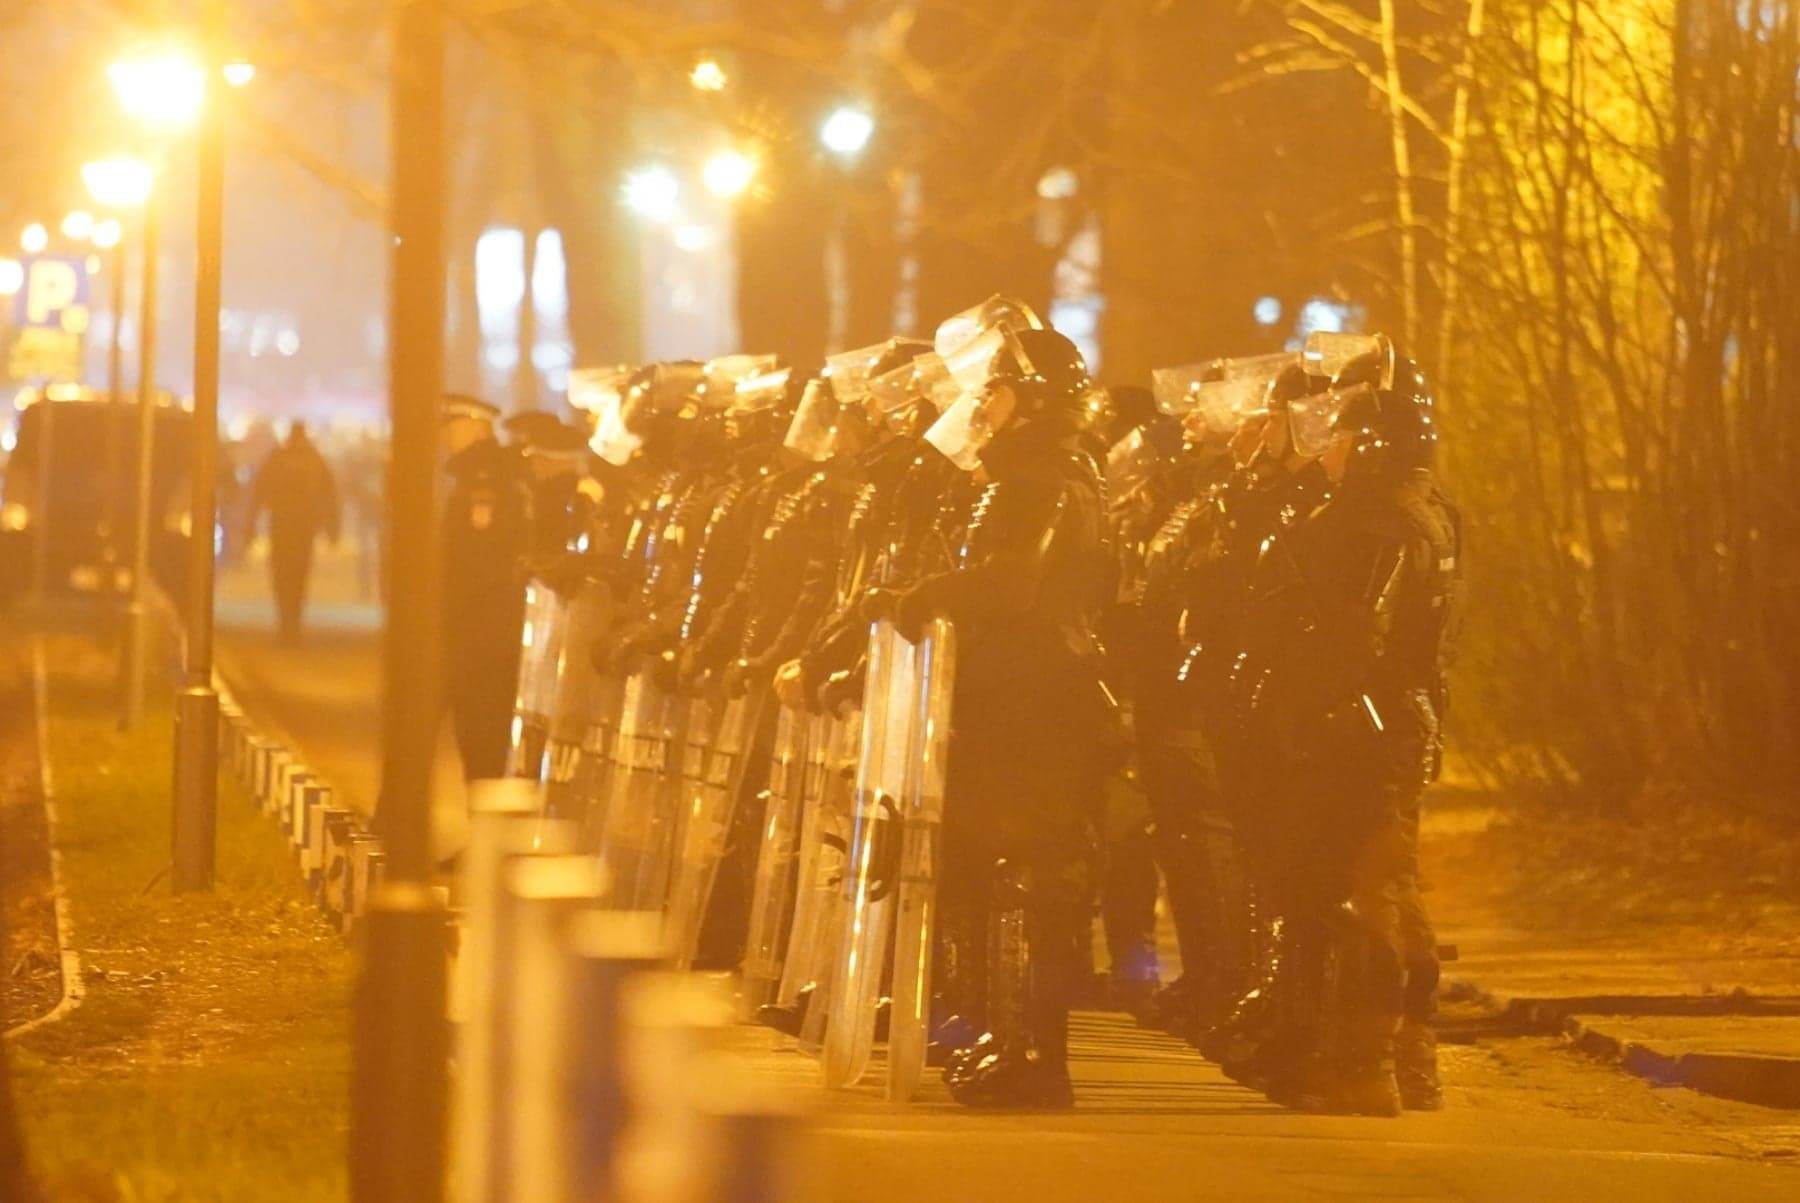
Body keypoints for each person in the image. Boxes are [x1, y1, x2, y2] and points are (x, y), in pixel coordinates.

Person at [866, 327, 1118, 1108]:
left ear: (1034, 398)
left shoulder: (1041, 480)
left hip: (1038, 709)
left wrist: (931, 595)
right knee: (992, 873)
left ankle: (1037, 1052)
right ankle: (1003, 1035)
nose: (985, 406)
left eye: (998, 391)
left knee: (1030, 879)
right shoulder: (1022, 477)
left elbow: (1011, 583)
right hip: (1015, 701)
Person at [1233, 342, 1461, 1115]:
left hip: (1357, 731)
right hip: (1371, 725)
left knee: (1363, 896)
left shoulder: (1378, 523)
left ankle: (1367, 1064)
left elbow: (1350, 635)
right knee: (1369, 888)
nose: (1322, 448)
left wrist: (1307, 707)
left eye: (1337, 436)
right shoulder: (1401, 511)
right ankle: (1376, 1058)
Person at [440, 394, 533, 780]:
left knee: (482, 731)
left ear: (472, 427)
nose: (444, 437)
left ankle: (482, 828)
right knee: (476, 731)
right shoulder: (481, 473)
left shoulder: (485, 478)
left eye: (449, 427)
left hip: (481, 630)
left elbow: (479, 558)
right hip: (476, 629)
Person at [245, 420, 340, 643]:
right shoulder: (314, 460)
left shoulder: (278, 458)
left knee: (281, 573)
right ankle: (293, 620)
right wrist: (332, 528)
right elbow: (329, 495)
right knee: (300, 573)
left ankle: (285, 620)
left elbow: (259, 491)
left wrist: (251, 525)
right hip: (305, 527)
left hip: (281, 524)